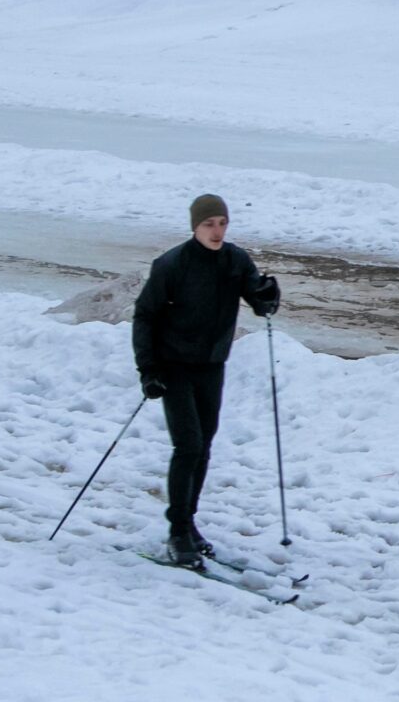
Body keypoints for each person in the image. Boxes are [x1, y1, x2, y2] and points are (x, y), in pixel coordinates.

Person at [132, 193, 281, 564]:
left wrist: (268, 297)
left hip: (212, 365)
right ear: (195, 227)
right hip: (173, 366)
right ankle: (177, 531)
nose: (217, 231)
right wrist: (148, 370)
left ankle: (188, 522)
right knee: (189, 446)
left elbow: (258, 300)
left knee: (204, 446)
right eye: (208, 224)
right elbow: (145, 316)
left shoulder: (235, 260)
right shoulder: (172, 265)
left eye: (222, 223)